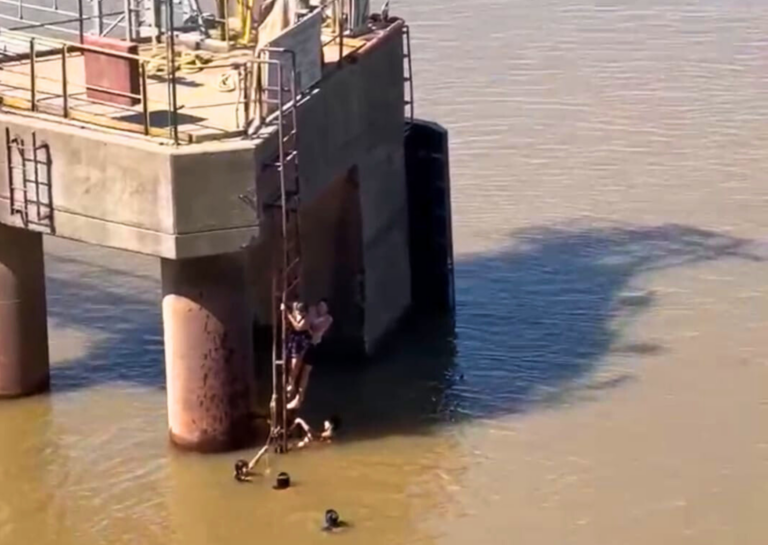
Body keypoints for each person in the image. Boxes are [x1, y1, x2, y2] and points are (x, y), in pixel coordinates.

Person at [287, 298, 333, 410]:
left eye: (324, 307)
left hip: (313, 345)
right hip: (302, 341)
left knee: (305, 372)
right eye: (320, 306)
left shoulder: (327, 319)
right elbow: (299, 308)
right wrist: (288, 304)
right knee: (295, 365)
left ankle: (299, 399)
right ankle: (290, 386)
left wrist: (305, 321)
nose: (321, 309)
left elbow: (313, 328)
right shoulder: (312, 310)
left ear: (327, 309)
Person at [284, 301, 311, 397]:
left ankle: (292, 383)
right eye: (299, 311)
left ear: (305, 312)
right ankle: (290, 383)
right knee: (290, 364)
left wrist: (288, 315)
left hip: (301, 342)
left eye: (301, 312)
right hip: (293, 340)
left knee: (296, 363)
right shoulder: (296, 313)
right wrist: (286, 309)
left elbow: (298, 327)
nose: (299, 313)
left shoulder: (307, 318)